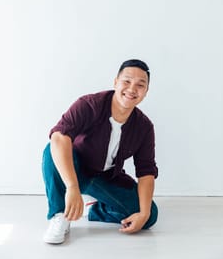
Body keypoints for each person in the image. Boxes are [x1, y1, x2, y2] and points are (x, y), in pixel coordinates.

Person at [42, 59, 158, 244]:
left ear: (146, 92)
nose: (132, 89)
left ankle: (92, 209)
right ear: (115, 82)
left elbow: (146, 172)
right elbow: (58, 138)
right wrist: (72, 187)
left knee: (149, 217)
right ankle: (60, 214)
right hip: (76, 169)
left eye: (140, 85)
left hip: (105, 177)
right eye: (126, 81)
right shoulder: (89, 105)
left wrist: (144, 213)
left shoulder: (144, 127)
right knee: (52, 149)